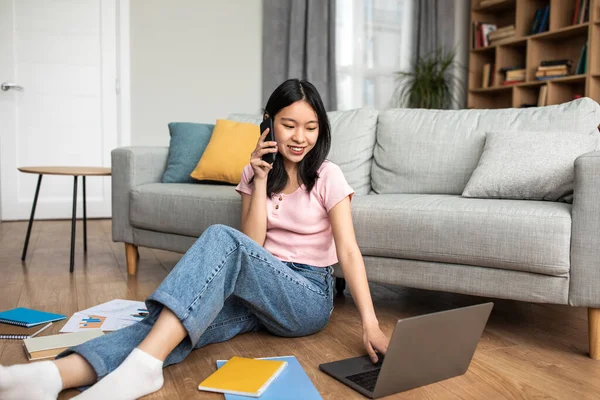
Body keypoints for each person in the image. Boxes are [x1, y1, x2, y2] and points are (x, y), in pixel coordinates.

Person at [0, 78, 389, 400]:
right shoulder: (253, 172)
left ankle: (140, 369)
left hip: (306, 296)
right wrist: (257, 179)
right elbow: (254, 242)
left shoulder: (328, 175)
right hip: (255, 291)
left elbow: (349, 252)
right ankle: (52, 376)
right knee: (171, 328)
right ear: (269, 123)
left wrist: (369, 324)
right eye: (289, 125)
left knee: (223, 239)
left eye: (310, 127)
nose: (300, 137)